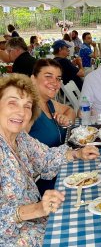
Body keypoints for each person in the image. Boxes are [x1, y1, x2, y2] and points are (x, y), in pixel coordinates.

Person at [0, 73, 99, 245]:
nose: (21, 112)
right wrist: (35, 209)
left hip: (38, 222)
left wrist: (77, 153)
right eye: (12, 103)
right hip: (15, 238)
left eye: (27, 106)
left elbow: (46, 158)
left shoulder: (20, 138)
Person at [29, 59, 76, 196]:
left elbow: (70, 110)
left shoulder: (48, 102)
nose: (55, 83)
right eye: (48, 76)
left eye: (58, 78)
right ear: (33, 79)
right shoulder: (27, 110)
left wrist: (66, 119)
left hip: (63, 169)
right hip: (47, 183)